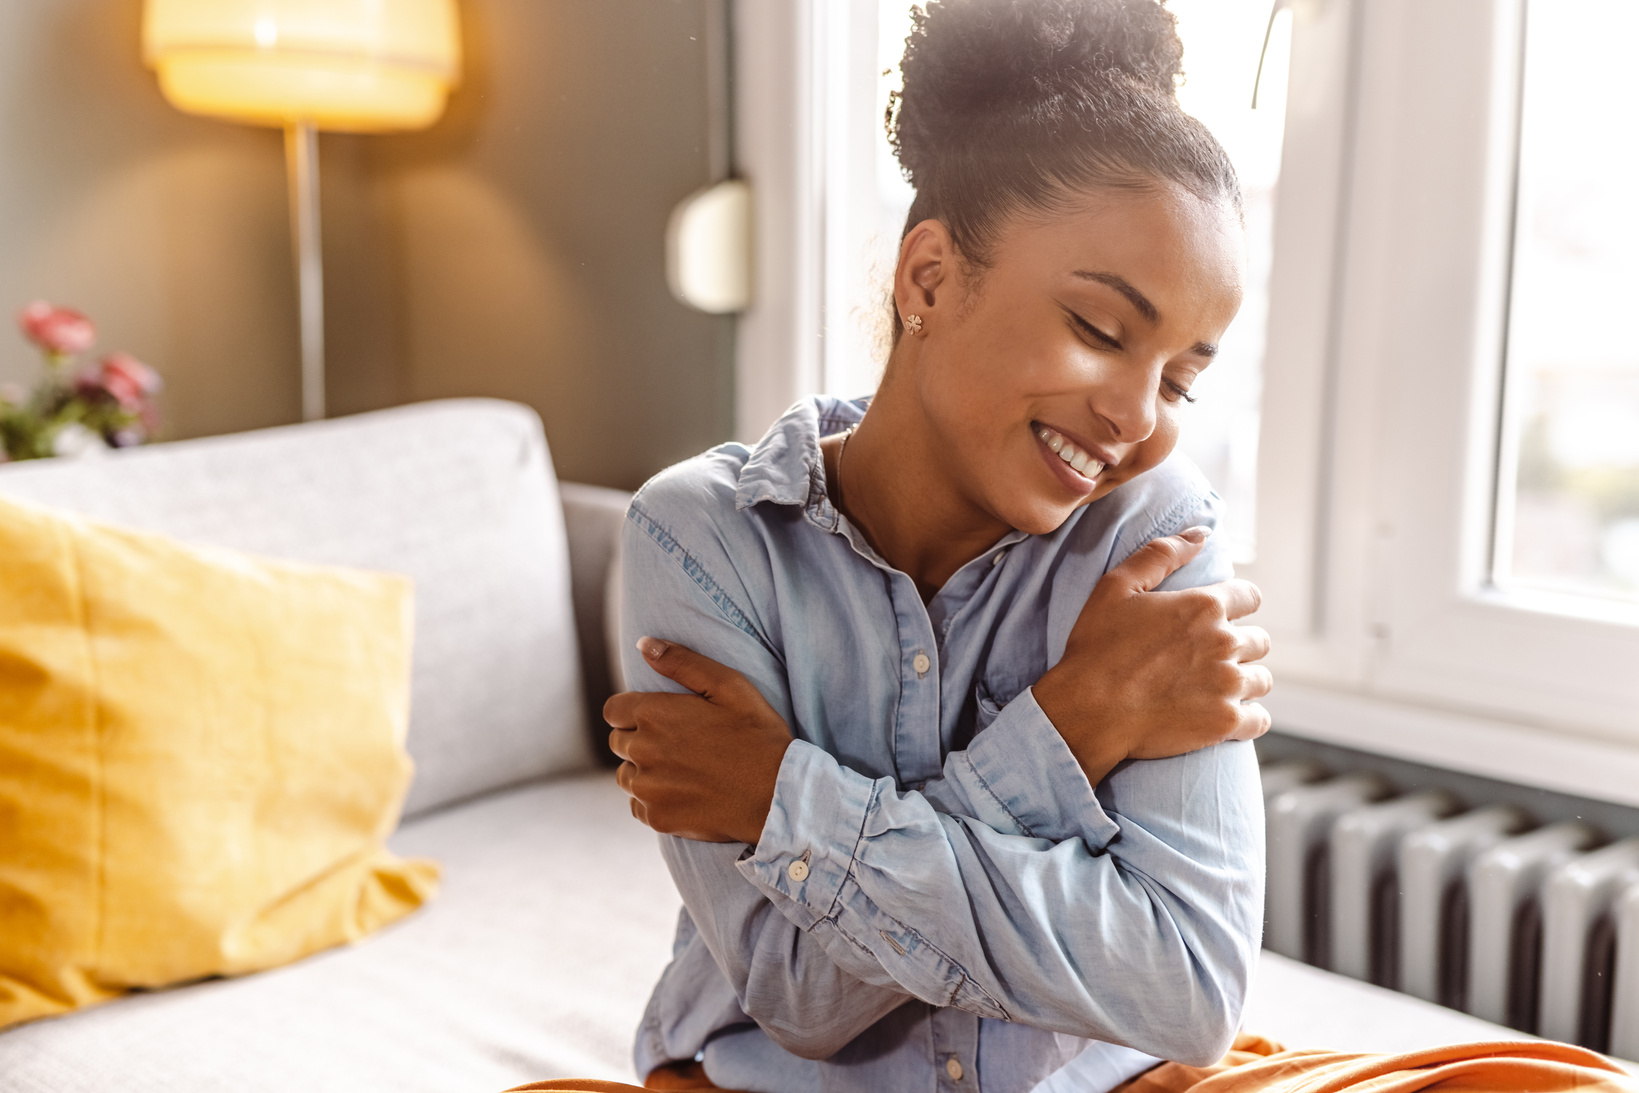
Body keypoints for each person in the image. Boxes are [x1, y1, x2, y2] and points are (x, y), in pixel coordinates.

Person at [506, 2, 1639, 1091]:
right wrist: (1075, 723)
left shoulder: (1153, 531)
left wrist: (789, 803)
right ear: (930, 279)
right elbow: (796, 1000)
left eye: (1183, 380)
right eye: (1101, 329)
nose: (1140, 418)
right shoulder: (700, 539)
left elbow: (1188, 985)